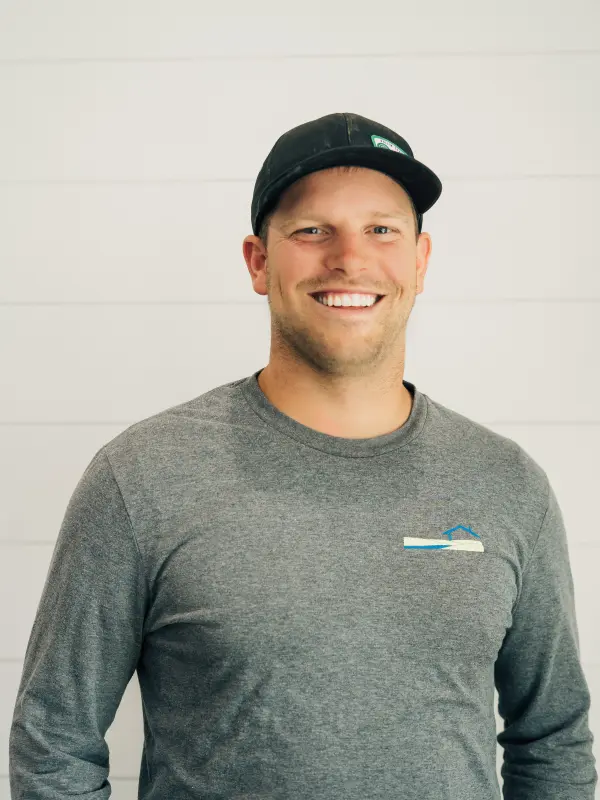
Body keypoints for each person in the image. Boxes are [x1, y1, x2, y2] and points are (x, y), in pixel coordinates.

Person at [9, 112, 597, 799]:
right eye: (313, 230)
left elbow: (553, 740)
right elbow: (53, 742)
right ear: (259, 262)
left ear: (420, 260)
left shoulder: (506, 483)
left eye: (381, 229)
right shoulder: (141, 477)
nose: (349, 257)